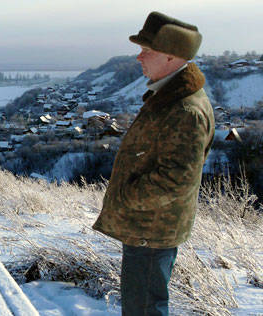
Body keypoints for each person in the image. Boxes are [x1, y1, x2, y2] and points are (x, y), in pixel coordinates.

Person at [92, 11, 215, 315]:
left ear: (172, 57)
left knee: (144, 307)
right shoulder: (169, 97)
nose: (139, 57)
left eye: (148, 50)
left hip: (151, 228)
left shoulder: (185, 110)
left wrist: (124, 197)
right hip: (147, 225)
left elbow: (176, 180)